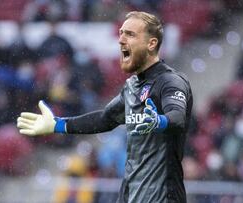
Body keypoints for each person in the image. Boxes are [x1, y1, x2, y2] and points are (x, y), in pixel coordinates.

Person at [17, 11, 193, 203]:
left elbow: (177, 115)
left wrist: (160, 120)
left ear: (151, 43)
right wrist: (57, 125)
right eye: (122, 34)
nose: (122, 41)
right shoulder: (133, 87)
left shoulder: (170, 82)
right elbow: (105, 119)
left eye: (131, 35)